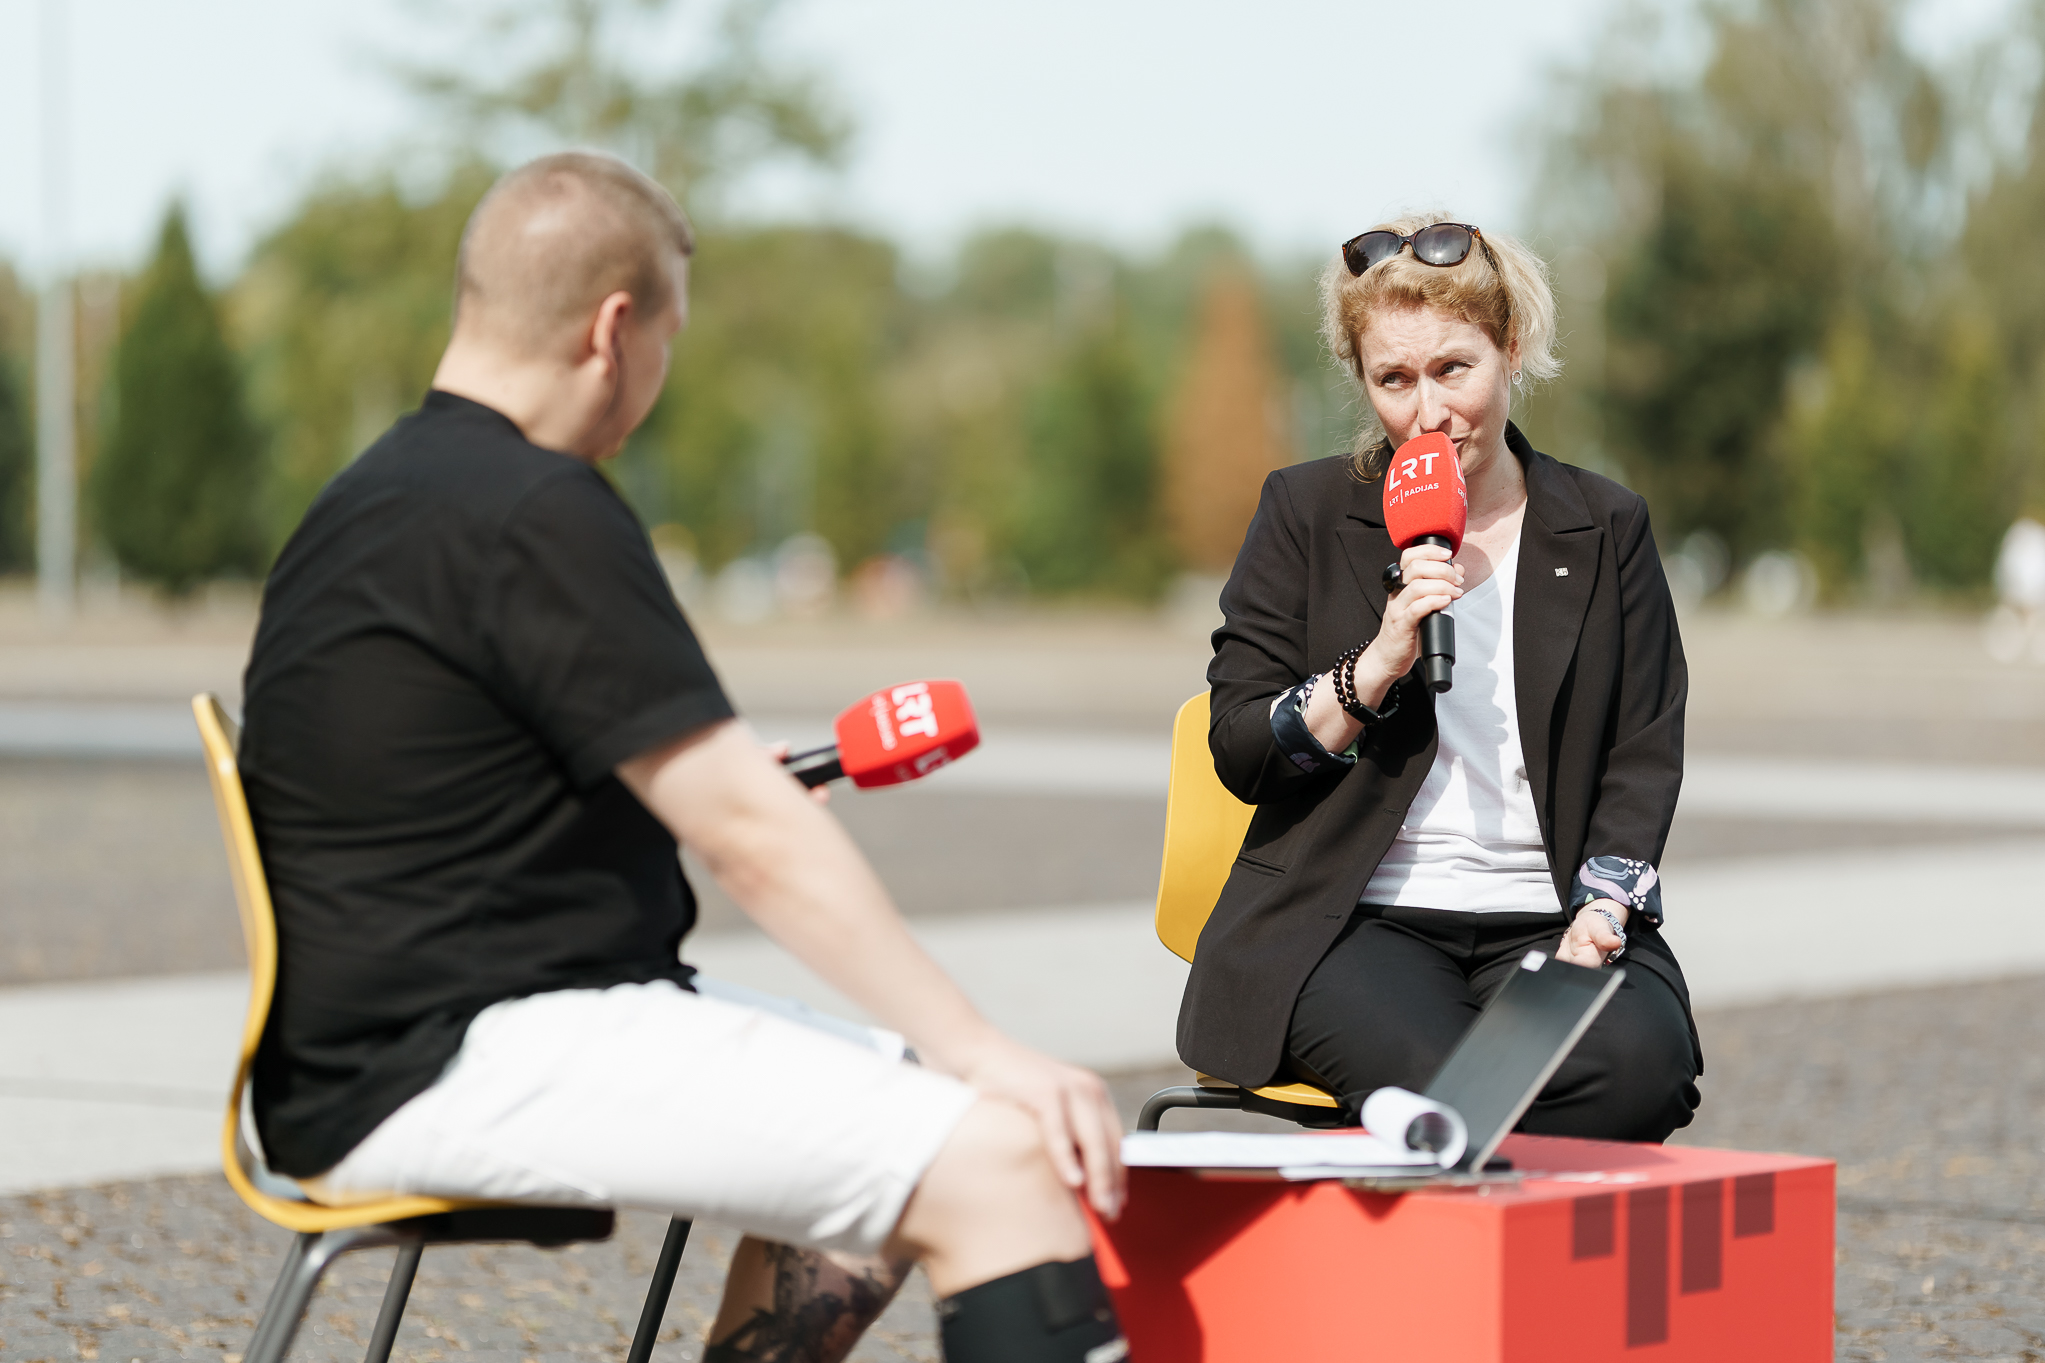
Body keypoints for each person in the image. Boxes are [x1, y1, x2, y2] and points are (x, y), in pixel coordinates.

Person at [238, 151, 1129, 1363]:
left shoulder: (369, 498)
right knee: (997, 1157)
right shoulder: (536, 507)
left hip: (391, 1037)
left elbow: (438, 787)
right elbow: (749, 837)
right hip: (449, 1052)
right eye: (669, 339)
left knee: (916, 1109)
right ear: (613, 330)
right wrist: (985, 1044)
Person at [1175, 214, 1700, 1143]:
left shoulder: (1606, 524)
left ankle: (1459, 1181)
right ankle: (1449, 1197)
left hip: (1548, 912)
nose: (1428, 412)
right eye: (1394, 379)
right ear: (1362, 380)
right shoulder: (1303, 512)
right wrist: (1375, 664)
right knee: (1456, 1082)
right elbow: (1241, 747)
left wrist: (1603, 907)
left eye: (1453, 369)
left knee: (1637, 1069)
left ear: (1510, 348)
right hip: (1352, 920)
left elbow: (1642, 747)